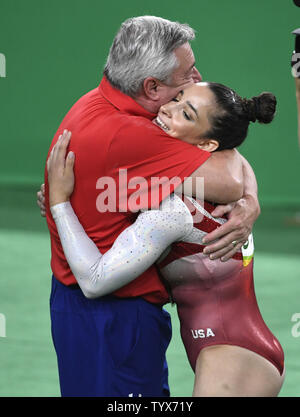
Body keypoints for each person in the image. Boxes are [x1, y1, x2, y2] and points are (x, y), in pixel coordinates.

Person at [41, 16, 261, 397]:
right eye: (187, 76)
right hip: (112, 317)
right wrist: (60, 204)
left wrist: (250, 203)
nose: (198, 78)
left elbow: (222, 146)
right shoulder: (137, 136)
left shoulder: (96, 102)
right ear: (152, 86)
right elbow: (229, 178)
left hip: (84, 312)